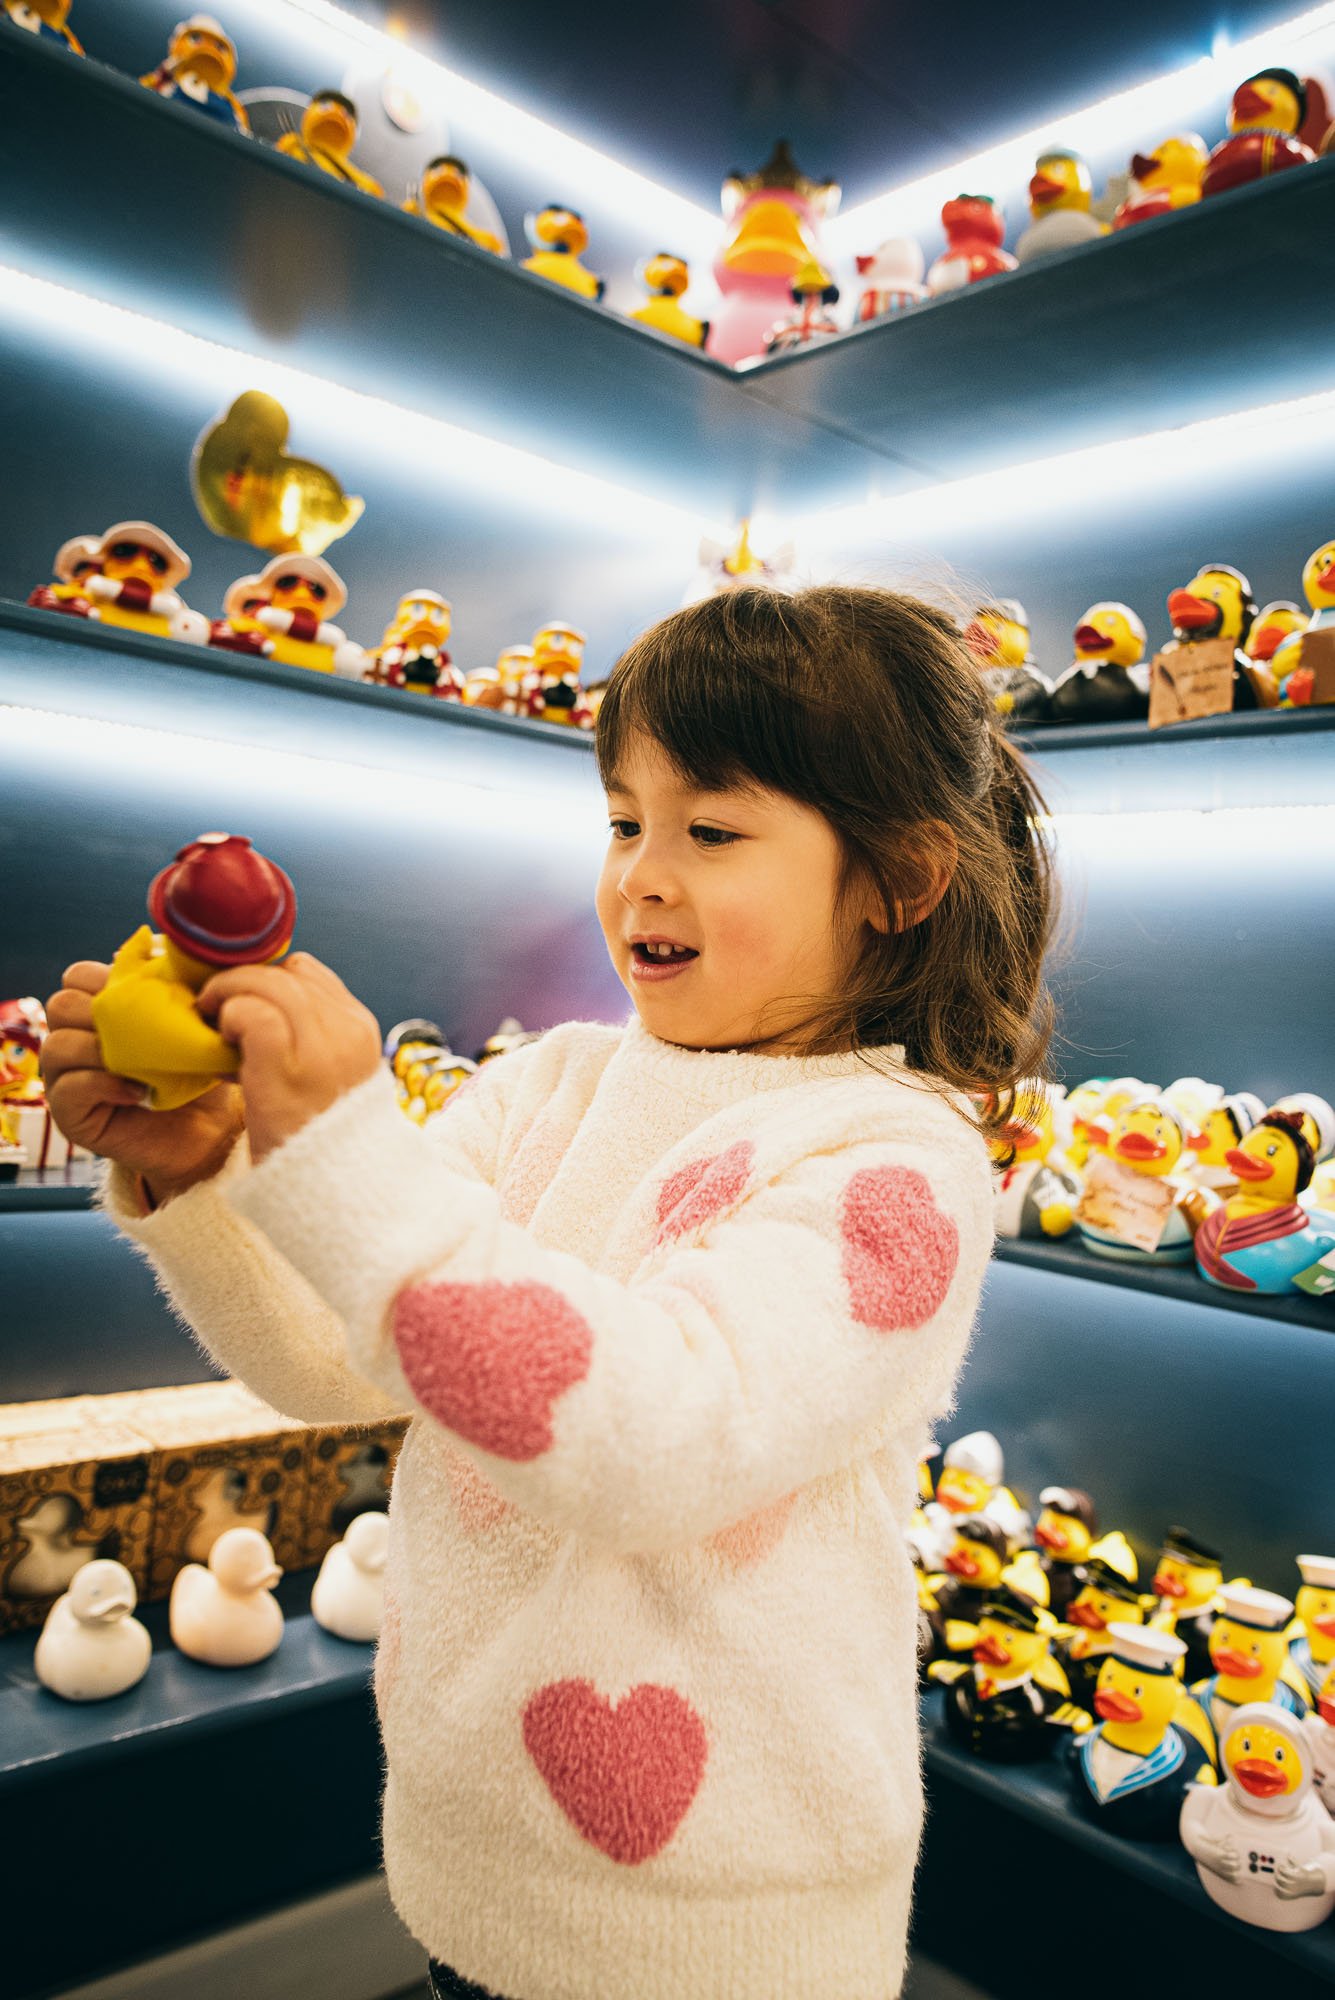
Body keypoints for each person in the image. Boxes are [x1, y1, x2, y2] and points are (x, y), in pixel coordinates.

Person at [42, 585, 1054, 2000]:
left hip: (734, 1937)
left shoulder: (896, 1166)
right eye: (625, 821)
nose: (644, 871)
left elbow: (653, 1435)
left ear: (899, 879)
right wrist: (210, 1174)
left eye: (711, 830)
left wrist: (343, 1155)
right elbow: (347, 1353)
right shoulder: (553, 1085)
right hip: (471, 1863)